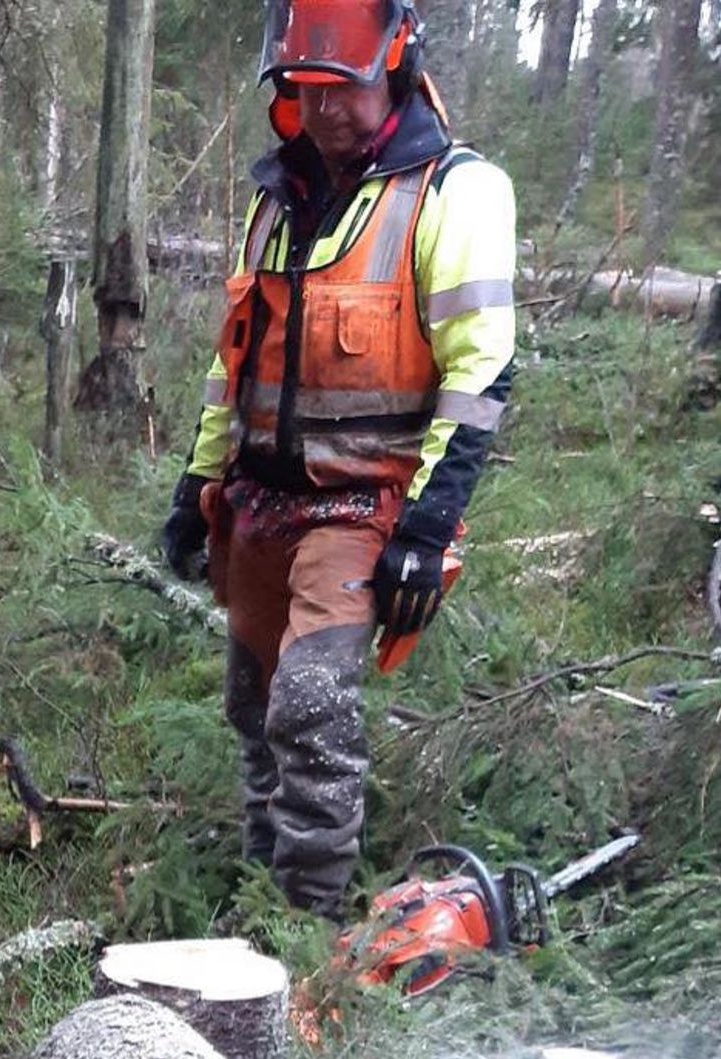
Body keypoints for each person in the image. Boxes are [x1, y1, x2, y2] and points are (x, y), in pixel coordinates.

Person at [160, 0, 516, 919]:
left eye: (340, 91)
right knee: (254, 712)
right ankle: (257, 899)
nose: (322, 113)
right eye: (305, 92)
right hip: (260, 505)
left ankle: (305, 928)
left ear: (395, 63)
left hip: (363, 505)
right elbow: (231, 362)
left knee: (310, 706)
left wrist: (429, 528)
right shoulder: (277, 195)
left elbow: (480, 374)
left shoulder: (454, 191)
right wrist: (197, 485)